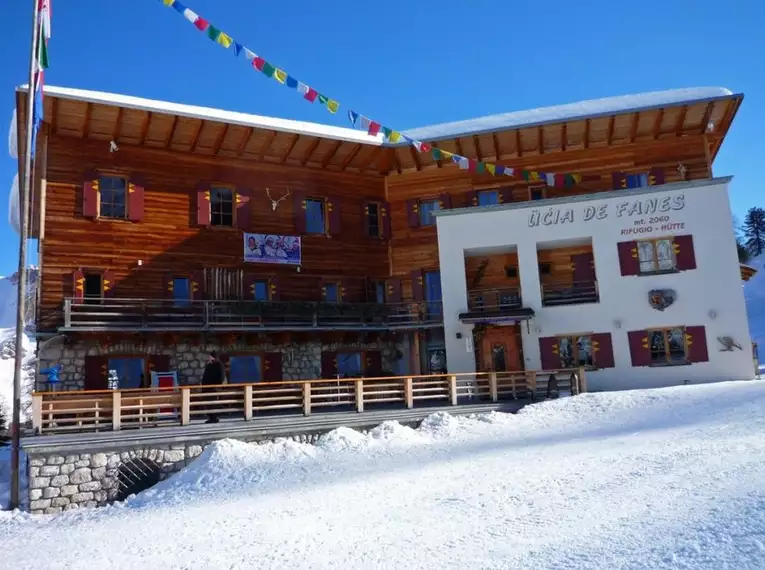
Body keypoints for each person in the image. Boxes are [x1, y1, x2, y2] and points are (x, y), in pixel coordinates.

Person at [201, 351, 224, 423]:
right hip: (207, 387)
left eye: (210, 357)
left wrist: (217, 385)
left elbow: (221, 377)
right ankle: (211, 417)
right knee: (209, 402)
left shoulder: (218, 365)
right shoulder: (210, 365)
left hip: (213, 387)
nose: (209, 358)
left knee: (212, 402)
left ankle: (214, 417)